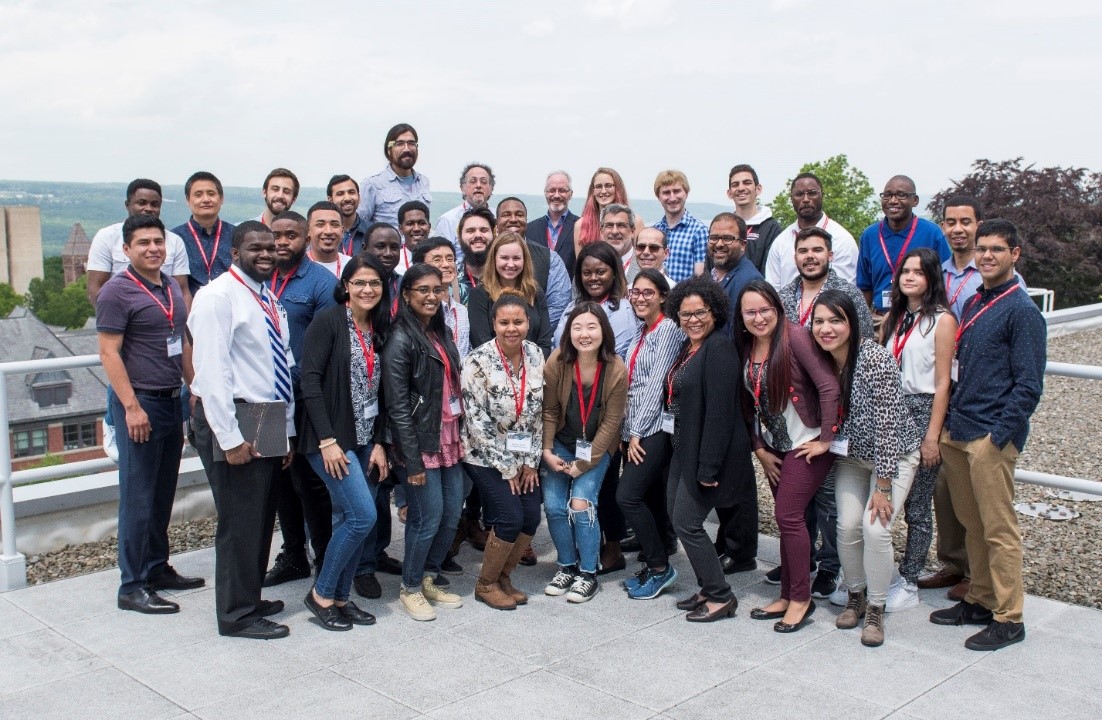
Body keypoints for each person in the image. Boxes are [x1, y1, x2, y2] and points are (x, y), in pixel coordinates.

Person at [930, 219, 1045, 652]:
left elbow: (1029, 385)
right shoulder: (978, 298)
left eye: (997, 249)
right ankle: (979, 598)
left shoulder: (1022, 310)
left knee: (999, 530)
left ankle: (1009, 617)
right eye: (982, 249)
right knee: (971, 524)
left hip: (990, 438)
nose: (987, 256)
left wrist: (999, 437)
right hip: (959, 429)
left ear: (1015, 253)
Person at [188, 221, 296, 639]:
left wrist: (282, 430)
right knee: (239, 520)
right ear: (235, 252)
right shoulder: (217, 297)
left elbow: (276, 367)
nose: (267, 253)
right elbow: (211, 372)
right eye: (257, 247)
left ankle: (250, 596)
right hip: (234, 417)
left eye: (272, 247)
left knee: (260, 515)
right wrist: (230, 439)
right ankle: (236, 615)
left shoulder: (265, 296)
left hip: (265, 414)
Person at [97, 214, 201, 615]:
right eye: (143, 243)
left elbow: (181, 341)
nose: (153, 248)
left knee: (161, 493)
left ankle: (157, 568)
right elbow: (109, 352)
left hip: (170, 399)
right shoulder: (116, 292)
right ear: (126, 250)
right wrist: (131, 407)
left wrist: (192, 385)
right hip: (140, 403)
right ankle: (132, 584)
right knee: (138, 496)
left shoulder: (171, 288)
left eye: (158, 241)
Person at [810, 290, 922, 647]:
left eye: (835, 320)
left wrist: (884, 486)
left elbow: (888, 426)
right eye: (819, 321)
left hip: (893, 457)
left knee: (875, 529)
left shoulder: (874, 358)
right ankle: (856, 595)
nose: (826, 329)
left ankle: (876, 606)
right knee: (845, 525)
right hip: (852, 457)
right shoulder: (821, 359)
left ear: (852, 323)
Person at [736, 279, 839, 633]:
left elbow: (828, 386)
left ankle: (801, 599)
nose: (758, 317)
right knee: (787, 521)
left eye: (765, 309)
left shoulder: (796, 337)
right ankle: (785, 595)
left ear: (778, 310)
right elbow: (747, 405)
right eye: (750, 311)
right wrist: (759, 448)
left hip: (805, 444)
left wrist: (826, 439)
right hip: (773, 447)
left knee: (789, 516)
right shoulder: (745, 345)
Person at [298, 255, 391, 631]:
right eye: (360, 282)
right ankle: (321, 594)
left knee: (349, 519)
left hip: (367, 437)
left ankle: (340, 597)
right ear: (346, 286)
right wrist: (327, 440)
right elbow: (310, 381)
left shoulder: (379, 327)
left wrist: (382, 442)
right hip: (331, 439)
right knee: (363, 515)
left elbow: (384, 391)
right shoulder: (329, 321)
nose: (367, 289)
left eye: (375, 284)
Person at [662, 276, 755, 621]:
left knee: (688, 522)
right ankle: (706, 585)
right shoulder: (690, 347)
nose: (693, 320)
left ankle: (721, 596)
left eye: (700, 312)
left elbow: (719, 413)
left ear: (715, 312)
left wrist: (708, 468)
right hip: (683, 447)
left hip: (705, 454)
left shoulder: (719, 348)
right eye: (685, 314)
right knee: (676, 515)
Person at [382, 263, 467, 621]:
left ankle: (430, 575)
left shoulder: (440, 331)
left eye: (438, 289)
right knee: (426, 517)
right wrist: (412, 461)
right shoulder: (400, 339)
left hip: (448, 434)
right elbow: (398, 407)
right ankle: (411, 586)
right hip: (419, 442)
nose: (432, 296)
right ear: (406, 295)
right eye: (423, 290)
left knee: (451, 513)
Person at [261, 210, 339, 588]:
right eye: (276, 235)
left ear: (306, 238)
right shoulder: (257, 280)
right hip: (262, 399)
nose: (282, 242)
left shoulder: (321, 283)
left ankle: (325, 560)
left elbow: (327, 346)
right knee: (276, 481)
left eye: (291, 235)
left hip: (305, 397)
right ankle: (293, 554)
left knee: (310, 484)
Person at [881, 248, 957, 612]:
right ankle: (886, 568)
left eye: (918, 272)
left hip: (923, 407)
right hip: (893, 408)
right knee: (884, 490)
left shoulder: (942, 321)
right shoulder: (896, 318)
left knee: (917, 503)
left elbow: (943, 382)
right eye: (904, 271)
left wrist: (932, 436)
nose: (909, 277)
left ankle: (910, 578)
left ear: (931, 278)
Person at [461, 294, 546, 610]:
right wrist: (509, 467)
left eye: (518, 321)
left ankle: (503, 578)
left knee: (531, 516)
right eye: (504, 322)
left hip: (524, 456)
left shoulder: (536, 355)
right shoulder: (477, 361)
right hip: (485, 455)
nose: (512, 328)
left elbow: (538, 413)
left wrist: (530, 462)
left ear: (528, 322)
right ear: (493, 323)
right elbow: (476, 422)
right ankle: (485, 584)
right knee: (509, 517)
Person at [540, 303, 628, 603]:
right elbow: (550, 410)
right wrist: (547, 450)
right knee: (553, 505)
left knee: (580, 502)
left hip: (596, 446)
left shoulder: (616, 368)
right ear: (568, 332)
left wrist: (585, 462)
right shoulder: (557, 361)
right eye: (577, 328)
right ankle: (567, 565)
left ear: (603, 331)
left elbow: (612, 423)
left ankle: (588, 571)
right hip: (561, 442)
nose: (584, 334)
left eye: (591, 327)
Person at [616, 270, 684, 600]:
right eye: (635, 292)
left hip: (653, 428)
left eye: (647, 292)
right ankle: (656, 563)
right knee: (651, 498)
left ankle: (660, 567)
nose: (640, 298)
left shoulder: (668, 330)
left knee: (627, 496)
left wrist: (637, 433)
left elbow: (656, 385)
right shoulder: (643, 331)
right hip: (636, 428)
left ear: (662, 296)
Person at [856, 175, 951, 319]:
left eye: (901, 195)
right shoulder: (869, 235)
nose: (893, 200)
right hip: (879, 318)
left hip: (920, 317)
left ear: (915, 200)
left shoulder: (932, 233)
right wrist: (862, 323)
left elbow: (945, 281)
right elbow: (865, 286)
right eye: (887, 195)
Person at [87, 178, 191, 307]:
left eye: (154, 204)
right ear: (127, 205)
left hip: (165, 317)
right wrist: (113, 318)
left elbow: (182, 290)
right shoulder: (107, 237)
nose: (148, 208)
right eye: (141, 203)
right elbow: (95, 288)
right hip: (122, 316)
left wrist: (182, 323)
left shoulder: (175, 241)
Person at [467, 231, 554, 355]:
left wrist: (530, 368)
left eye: (516, 258)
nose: (511, 264)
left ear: (525, 260)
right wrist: (511, 370)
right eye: (504, 258)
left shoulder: (535, 293)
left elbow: (545, 343)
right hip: (493, 370)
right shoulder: (479, 295)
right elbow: (481, 343)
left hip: (533, 370)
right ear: (494, 259)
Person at [765, 172, 859, 287]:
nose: (805, 199)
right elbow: (773, 290)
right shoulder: (780, 242)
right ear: (791, 199)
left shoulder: (842, 239)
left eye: (812, 193)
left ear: (822, 196)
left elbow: (846, 290)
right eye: (799, 194)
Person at [779, 227, 874, 338]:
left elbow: (865, 339)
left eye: (817, 250)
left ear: (830, 256)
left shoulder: (850, 294)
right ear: (795, 258)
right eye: (803, 251)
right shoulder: (782, 297)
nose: (809, 256)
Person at [494, 196, 572, 326]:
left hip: (539, 340)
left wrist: (527, 332)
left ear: (526, 220)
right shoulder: (486, 256)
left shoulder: (550, 259)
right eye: (506, 215)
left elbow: (559, 306)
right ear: (496, 223)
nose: (513, 219)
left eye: (519, 215)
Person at [554, 241, 637, 358]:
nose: (593, 278)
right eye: (587, 273)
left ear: (614, 273)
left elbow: (615, 357)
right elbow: (557, 345)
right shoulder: (573, 306)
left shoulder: (621, 310)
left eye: (600, 272)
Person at [357, 122, 432, 229]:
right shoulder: (372, 184)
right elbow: (360, 226)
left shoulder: (424, 182)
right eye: (400, 143)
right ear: (389, 149)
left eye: (411, 143)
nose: (407, 149)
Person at [173, 171, 235, 298]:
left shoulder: (237, 235)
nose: (206, 200)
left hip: (232, 307)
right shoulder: (175, 238)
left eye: (211, 194)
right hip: (191, 310)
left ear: (221, 198)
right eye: (198, 195)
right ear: (188, 200)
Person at [706, 213, 763, 338]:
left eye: (727, 238)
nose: (719, 244)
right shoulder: (713, 276)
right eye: (714, 237)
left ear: (743, 245)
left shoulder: (749, 282)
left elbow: (738, 338)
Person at [571, 168, 644, 265]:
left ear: (617, 188)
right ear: (593, 191)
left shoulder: (636, 222)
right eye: (598, 186)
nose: (603, 191)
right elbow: (581, 267)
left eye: (608, 186)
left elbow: (639, 261)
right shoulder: (581, 225)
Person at [413, 236, 471, 359]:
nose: (446, 264)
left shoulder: (462, 311)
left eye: (450, 259)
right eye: (437, 259)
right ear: (420, 267)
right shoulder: (419, 311)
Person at [652, 170, 708, 282]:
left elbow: (699, 278)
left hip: (684, 297)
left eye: (677, 191)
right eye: (666, 193)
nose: (672, 198)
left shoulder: (699, 231)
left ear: (686, 193)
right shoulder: (654, 231)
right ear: (658, 197)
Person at [728, 164, 783, 276]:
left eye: (747, 183)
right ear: (729, 193)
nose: (741, 188)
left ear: (758, 189)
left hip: (758, 291)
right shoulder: (725, 228)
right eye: (735, 185)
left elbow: (772, 270)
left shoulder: (771, 228)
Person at [435, 163, 494, 266]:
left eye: (483, 182)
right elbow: (441, 257)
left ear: (491, 189)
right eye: (473, 181)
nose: (478, 185)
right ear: (463, 188)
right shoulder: (447, 220)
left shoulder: (498, 216)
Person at [525, 170, 578, 277]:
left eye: (562, 190)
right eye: (552, 190)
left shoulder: (580, 226)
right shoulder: (530, 229)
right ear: (545, 193)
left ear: (570, 194)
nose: (556, 195)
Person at [455, 207, 496, 296]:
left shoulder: (506, 277)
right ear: (459, 237)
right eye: (470, 231)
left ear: (494, 235)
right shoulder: (450, 280)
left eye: (484, 230)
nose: (478, 235)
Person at [305, 201, 352, 278]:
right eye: (320, 224)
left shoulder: (352, 266)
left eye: (334, 225)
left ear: (342, 231)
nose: (328, 231)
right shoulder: (298, 266)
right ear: (308, 230)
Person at [327, 174, 368, 257]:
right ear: (330, 200)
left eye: (351, 192)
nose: (347, 198)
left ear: (359, 197)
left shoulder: (372, 232)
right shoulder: (325, 233)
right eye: (340, 194)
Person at [397, 200, 431, 273]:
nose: (416, 229)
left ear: (429, 227)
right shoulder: (394, 262)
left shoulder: (441, 260)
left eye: (422, 223)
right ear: (400, 229)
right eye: (410, 224)